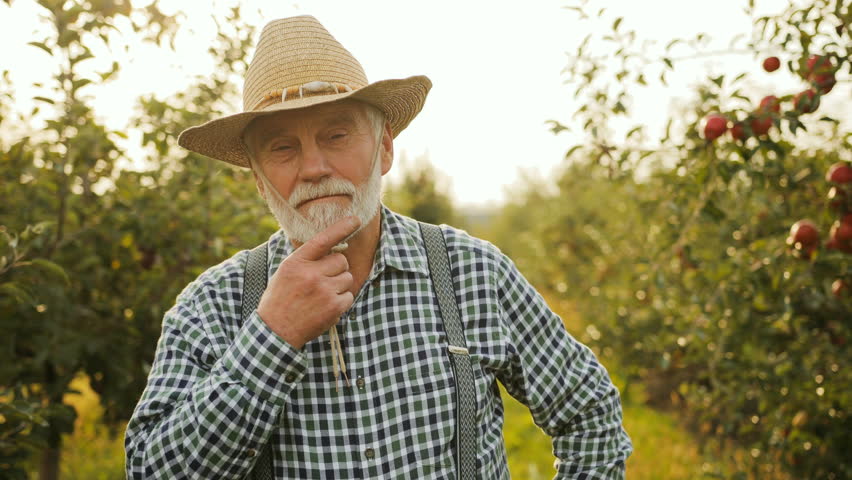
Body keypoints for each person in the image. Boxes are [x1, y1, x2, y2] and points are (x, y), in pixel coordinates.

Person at [124, 15, 632, 479]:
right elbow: (150, 472)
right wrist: (271, 336)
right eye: (283, 147)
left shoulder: (472, 272)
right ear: (258, 179)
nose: (314, 167)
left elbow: (590, 413)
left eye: (337, 134)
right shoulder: (211, 307)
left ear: (385, 148)